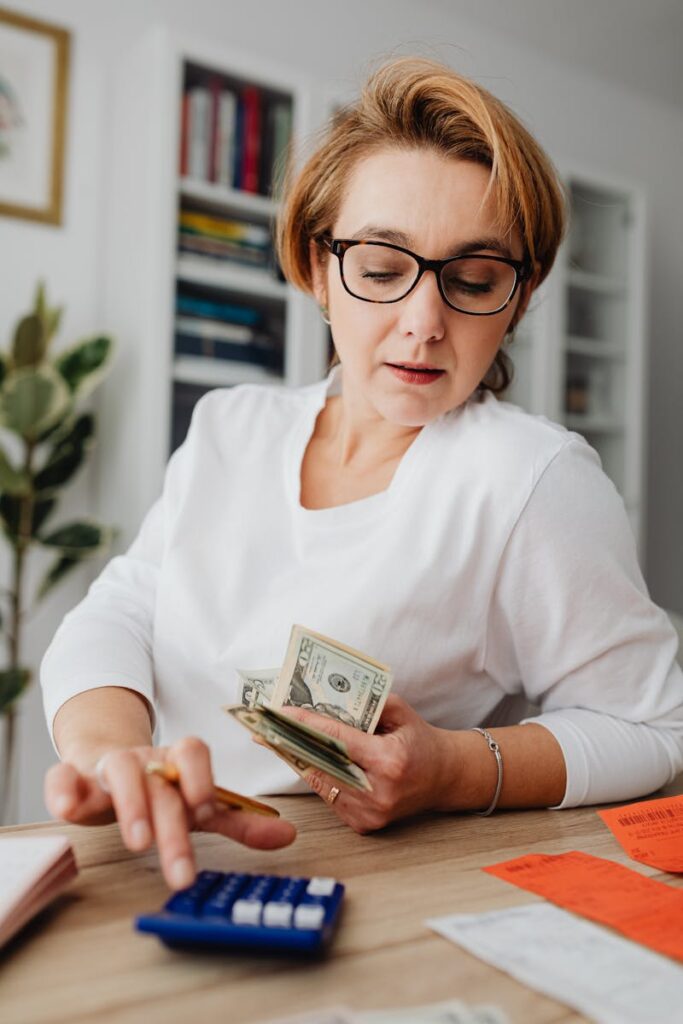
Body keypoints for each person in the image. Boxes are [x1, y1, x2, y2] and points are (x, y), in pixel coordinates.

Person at [42, 56, 683, 891]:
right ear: (318, 268)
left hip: (338, 889)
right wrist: (112, 753)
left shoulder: (531, 480)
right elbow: (125, 605)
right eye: (382, 269)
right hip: (138, 861)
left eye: (474, 280)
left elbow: (653, 729)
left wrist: (450, 771)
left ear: (519, 299)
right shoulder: (229, 426)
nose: (423, 324)